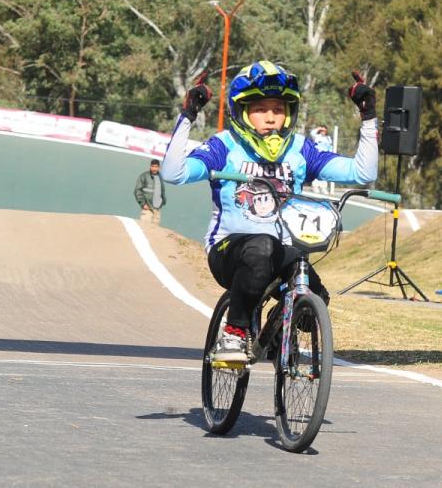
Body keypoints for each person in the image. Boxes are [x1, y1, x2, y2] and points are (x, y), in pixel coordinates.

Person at [160, 61, 379, 362]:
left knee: (316, 297)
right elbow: (173, 173)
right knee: (261, 246)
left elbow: (362, 172)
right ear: (242, 111)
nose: (271, 118)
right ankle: (233, 336)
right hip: (229, 252)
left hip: (279, 251)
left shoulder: (301, 150)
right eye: (261, 109)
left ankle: (277, 329)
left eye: (278, 110)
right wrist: (187, 115)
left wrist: (368, 117)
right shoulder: (224, 145)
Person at [134, 158, 166, 225]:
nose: (154, 168)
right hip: (147, 209)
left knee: (154, 232)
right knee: (144, 228)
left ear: (159, 167)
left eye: (156, 167)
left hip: (157, 210)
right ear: (150, 166)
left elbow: (162, 192)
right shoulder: (144, 176)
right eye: (153, 166)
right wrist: (143, 203)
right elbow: (137, 190)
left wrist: (162, 202)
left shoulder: (160, 177)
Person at [308, 126, 334, 194]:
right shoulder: (317, 136)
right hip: (317, 157)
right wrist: (319, 128)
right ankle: (315, 187)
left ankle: (323, 188)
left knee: (324, 171)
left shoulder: (328, 138)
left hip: (325, 157)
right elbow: (312, 133)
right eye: (322, 130)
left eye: (325, 131)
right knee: (316, 171)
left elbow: (330, 147)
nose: (323, 132)